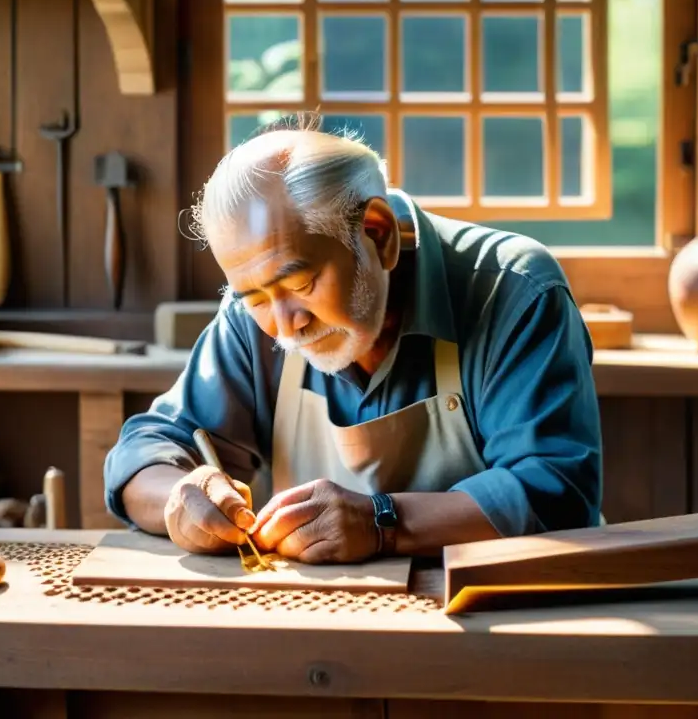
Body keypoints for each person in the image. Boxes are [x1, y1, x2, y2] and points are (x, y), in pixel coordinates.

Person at [103, 116, 603, 564]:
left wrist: (383, 522)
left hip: (504, 622)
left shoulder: (512, 289)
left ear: (378, 233)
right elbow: (146, 451)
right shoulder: (253, 314)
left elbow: (555, 494)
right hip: (329, 629)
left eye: (300, 285)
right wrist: (181, 496)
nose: (284, 325)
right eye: (253, 297)